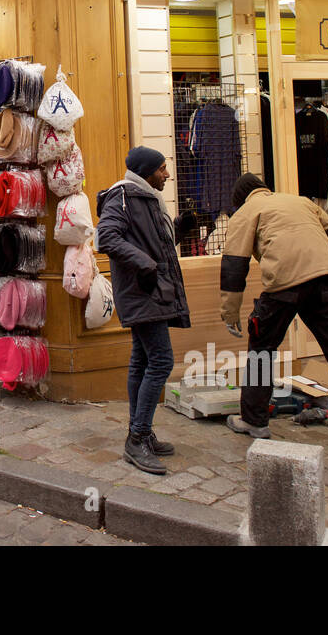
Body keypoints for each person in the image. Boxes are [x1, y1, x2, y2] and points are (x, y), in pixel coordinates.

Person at [220, 172, 328, 467]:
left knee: (261, 352)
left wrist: (230, 312)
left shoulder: (245, 212)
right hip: (325, 282)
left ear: (240, 200)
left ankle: (254, 421)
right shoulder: (302, 202)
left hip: (282, 287)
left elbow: (233, 263)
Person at [95, 146, 190, 476]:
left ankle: (141, 433)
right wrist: (145, 264)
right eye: (162, 169)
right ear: (147, 171)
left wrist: (179, 228)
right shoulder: (123, 197)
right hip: (142, 292)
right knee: (162, 360)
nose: (167, 174)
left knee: (142, 359)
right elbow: (105, 237)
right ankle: (136, 439)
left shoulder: (147, 198)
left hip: (150, 291)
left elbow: (154, 245)